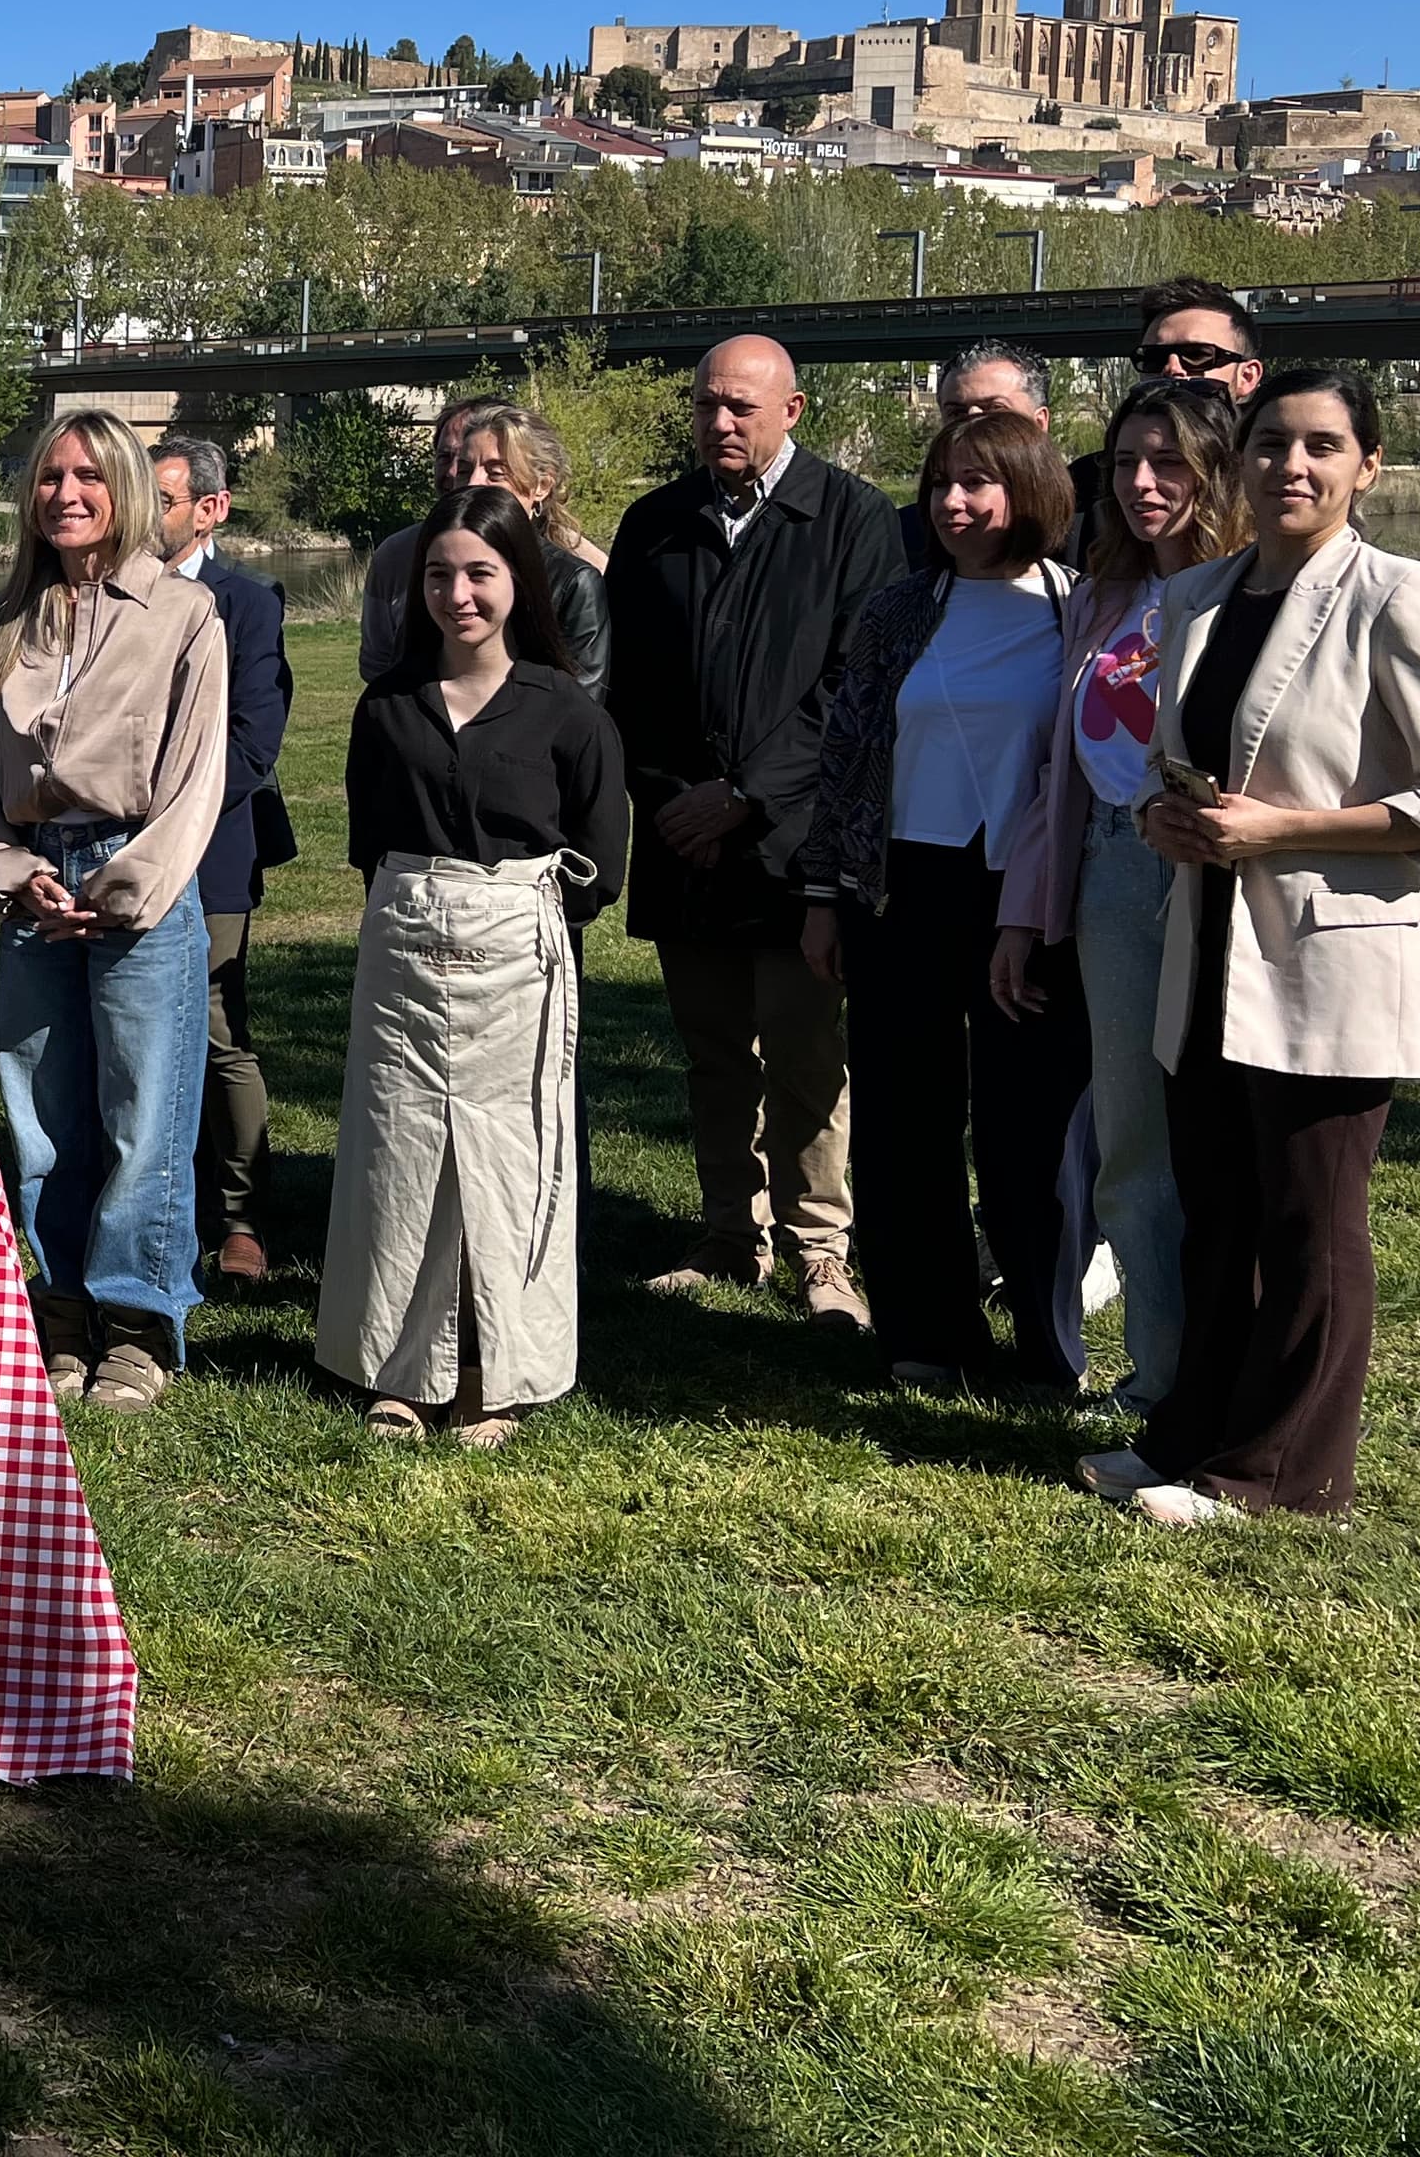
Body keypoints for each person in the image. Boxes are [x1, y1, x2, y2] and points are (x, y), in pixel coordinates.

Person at [1081, 364, 1420, 1525]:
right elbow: (1197, 764)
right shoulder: (1200, 598)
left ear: (1367, 466)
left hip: (1332, 953)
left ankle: (1282, 1474)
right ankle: (1191, 1437)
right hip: (1209, 948)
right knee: (1218, 1211)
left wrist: (1285, 832)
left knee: (1310, 1223)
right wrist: (1163, 819)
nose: (1294, 467)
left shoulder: (1397, 597)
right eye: (1273, 444)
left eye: (1324, 446)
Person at [606, 335, 905, 1324]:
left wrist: (747, 794)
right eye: (706, 406)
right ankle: (731, 1233)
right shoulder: (654, 524)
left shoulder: (855, 521)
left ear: (793, 410)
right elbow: (632, 693)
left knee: (808, 1053)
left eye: (740, 407)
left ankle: (824, 1252)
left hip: (796, 848)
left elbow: (855, 691)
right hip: (687, 840)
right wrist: (677, 798)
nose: (720, 423)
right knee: (714, 1050)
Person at [323, 485, 628, 1443]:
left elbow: (601, 858)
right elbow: (370, 839)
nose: (460, 594)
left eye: (482, 574)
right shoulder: (389, 709)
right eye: (442, 575)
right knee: (400, 1152)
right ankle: (399, 1371)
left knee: (508, 1157)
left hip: (517, 957)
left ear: (519, 583)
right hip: (405, 942)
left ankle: (497, 1373)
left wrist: (511, 912)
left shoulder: (566, 712)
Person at [795, 414, 1092, 1393]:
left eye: (979, 484)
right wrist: (825, 896)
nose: (955, 504)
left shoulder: (1077, 615)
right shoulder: (894, 611)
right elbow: (844, 760)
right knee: (905, 1120)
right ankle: (928, 1336)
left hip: (1030, 897)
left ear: (1031, 488)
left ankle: (1048, 1350)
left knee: (1029, 1130)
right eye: (941, 485)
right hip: (899, 891)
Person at [0, 410, 228, 1412]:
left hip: (136, 883)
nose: (65, 494)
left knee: (142, 1117)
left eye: (88, 477)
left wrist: (125, 894)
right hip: (34, 883)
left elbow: (197, 778)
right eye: (48, 477)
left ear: (121, 487)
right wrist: (11, 873)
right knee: (42, 1117)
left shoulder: (181, 617)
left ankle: (139, 1322)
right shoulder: (5, 621)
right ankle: (61, 1309)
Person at [993, 378, 1249, 1416]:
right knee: (1135, 1144)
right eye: (1130, 462)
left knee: (1225, 1138)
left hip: (1223, 879)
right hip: (1106, 871)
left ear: (1217, 471)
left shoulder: (1251, 592)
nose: (1144, 485)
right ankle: (1159, 1378)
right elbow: (1056, 774)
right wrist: (1022, 914)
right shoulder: (1101, 594)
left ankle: (1232, 1377)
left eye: (1172, 462)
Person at [153, 435, 297, 1279]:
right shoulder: (102, 589)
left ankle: (241, 1219)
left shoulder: (244, 603)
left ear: (212, 508)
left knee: (212, 1032)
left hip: (209, 856)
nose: (143, 516)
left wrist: (165, 819)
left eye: (161, 501)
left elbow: (251, 746)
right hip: (111, 851)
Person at [1071, 281, 1263, 560]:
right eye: (1153, 358)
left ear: (1247, 377)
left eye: (1197, 355)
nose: (1172, 369)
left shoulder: (1272, 483)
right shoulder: (1090, 483)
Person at [453, 399, 611, 696]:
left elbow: (583, 705)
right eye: (464, 471)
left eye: (495, 472)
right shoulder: (436, 569)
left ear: (541, 486)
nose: (473, 483)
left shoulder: (573, 583)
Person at [356, 394, 513, 684]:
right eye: (445, 457)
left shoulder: (571, 568)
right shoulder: (395, 555)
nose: (455, 473)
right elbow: (375, 664)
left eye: (471, 461)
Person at [905, 342, 1053, 569]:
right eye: (956, 413)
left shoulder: (1092, 534)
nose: (971, 424)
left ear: (1039, 423)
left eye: (994, 410)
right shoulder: (907, 535)